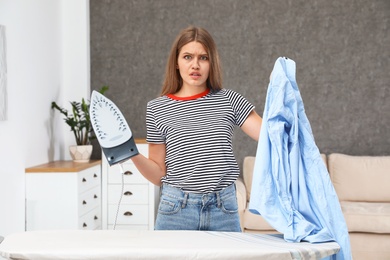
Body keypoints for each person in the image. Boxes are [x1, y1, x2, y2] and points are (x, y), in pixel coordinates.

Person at [131, 26, 262, 231]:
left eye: (203, 58)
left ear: (212, 63)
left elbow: (270, 137)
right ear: (176, 62)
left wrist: (281, 94)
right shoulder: (157, 108)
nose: (195, 65)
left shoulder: (229, 100)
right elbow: (158, 174)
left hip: (223, 209)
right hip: (176, 211)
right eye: (187, 57)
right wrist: (130, 153)